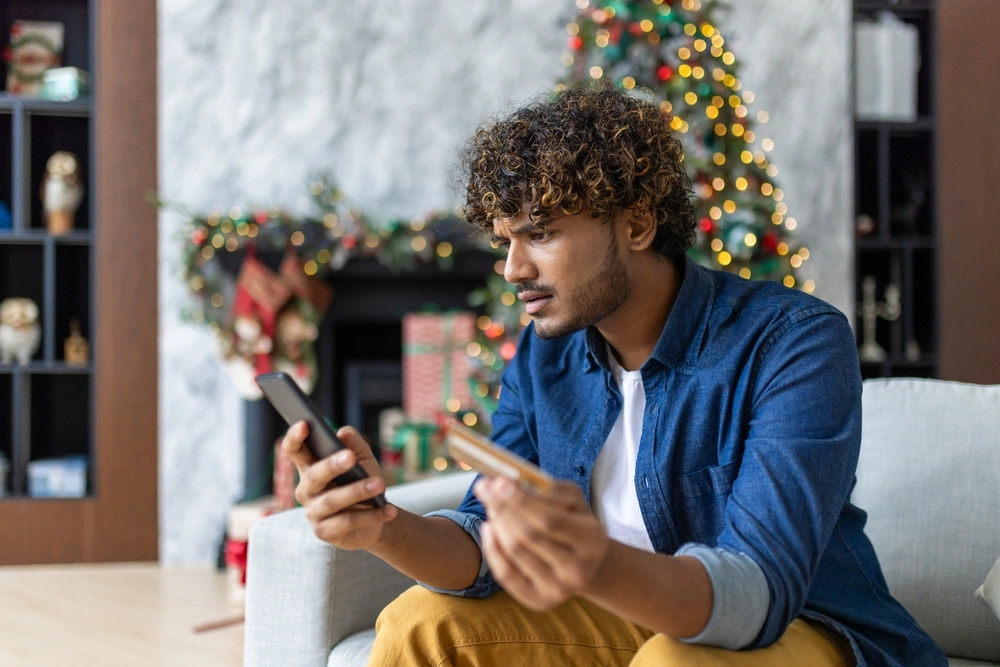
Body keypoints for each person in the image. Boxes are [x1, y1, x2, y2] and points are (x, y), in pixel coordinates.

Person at [282, 85, 946, 666]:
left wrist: (588, 558)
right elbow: (483, 544)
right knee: (416, 624)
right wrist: (382, 524)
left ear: (635, 224)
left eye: (539, 233)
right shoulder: (547, 355)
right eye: (505, 240)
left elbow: (757, 594)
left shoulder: (793, 343)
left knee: (672, 659)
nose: (513, 269)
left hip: (809, 630)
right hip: (624, 613)